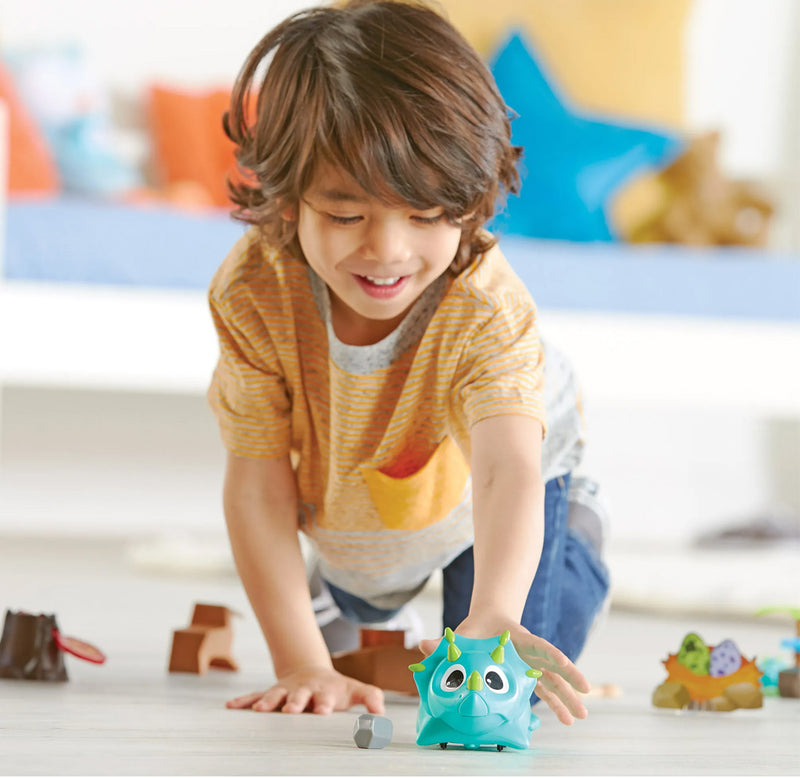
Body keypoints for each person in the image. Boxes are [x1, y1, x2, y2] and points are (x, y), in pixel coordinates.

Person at [207, 0, 610, 724]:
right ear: (287, 194)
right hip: (364, 491)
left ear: (470, 200)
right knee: (348, 638)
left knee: (508, 670)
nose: (388, 251)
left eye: (426, 217)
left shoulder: (487, 309)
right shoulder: (253, 290)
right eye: (346, 214)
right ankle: (347, 595)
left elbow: (505, 468)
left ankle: (576, 528)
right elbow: (257, 482)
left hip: (503, 479)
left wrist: (492, 614)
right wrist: (301, 663)